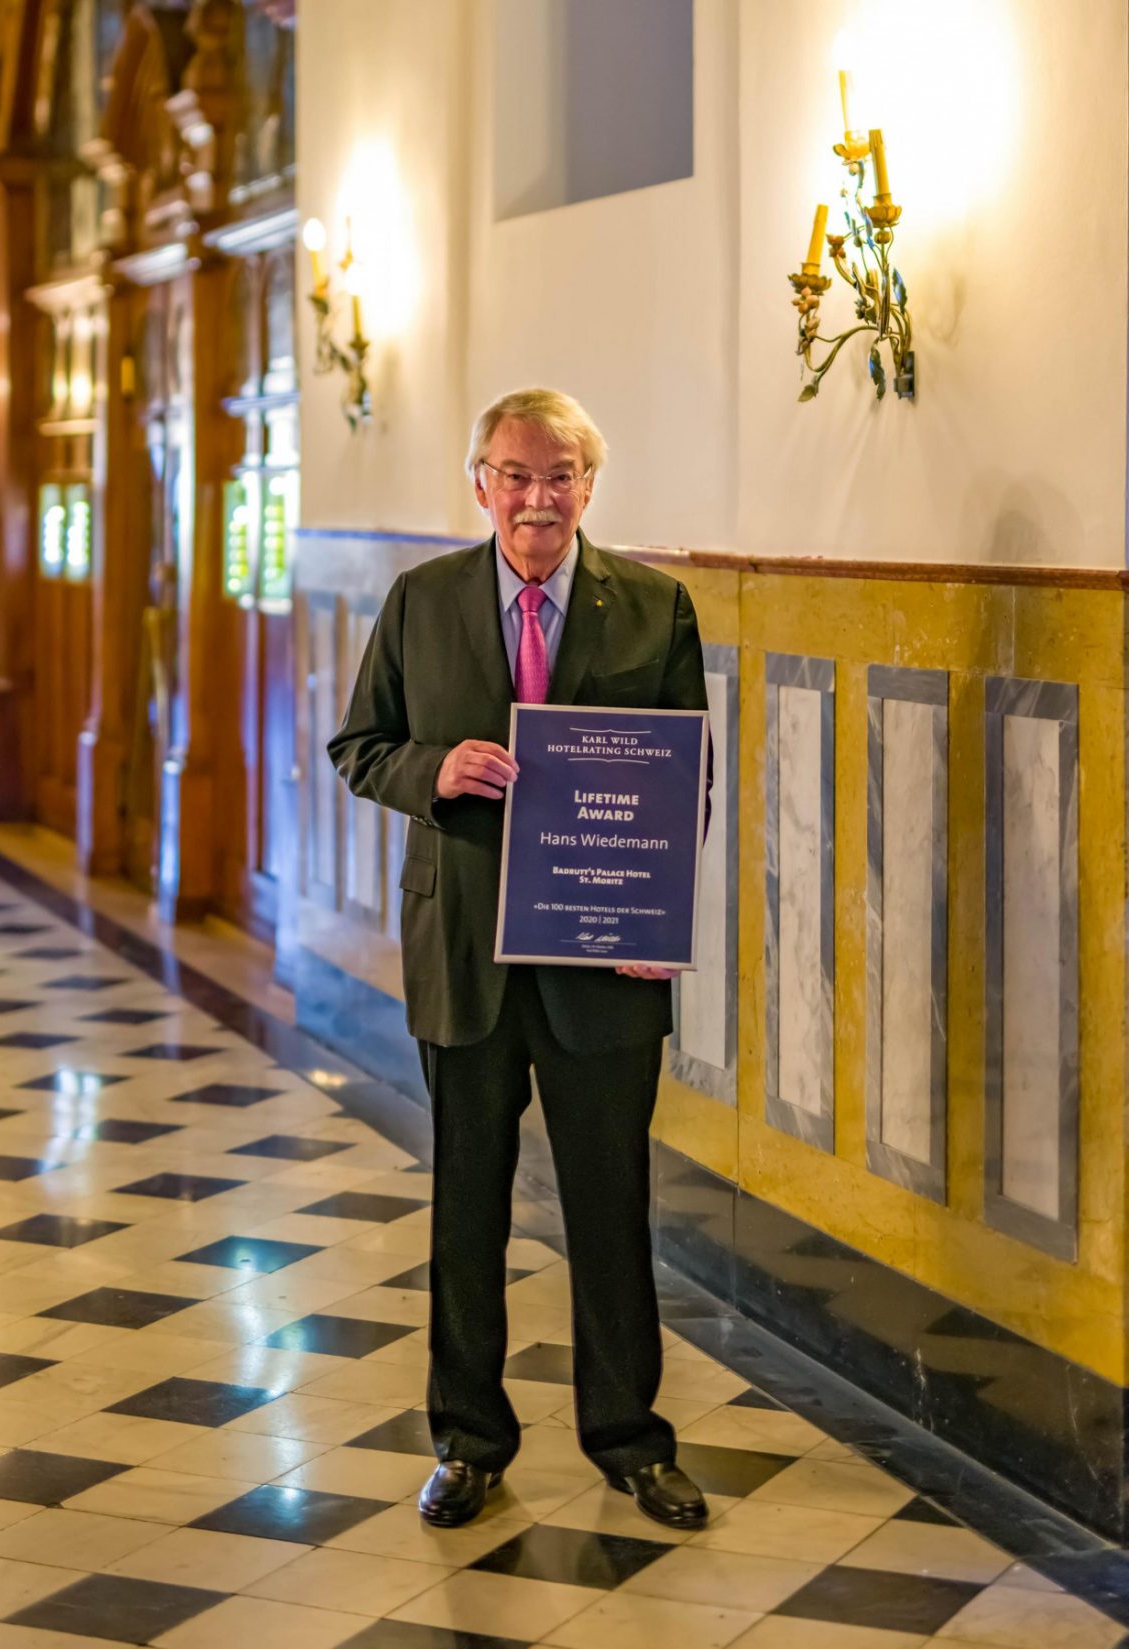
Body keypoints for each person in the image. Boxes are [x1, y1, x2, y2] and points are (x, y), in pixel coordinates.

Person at [328, 387, 709, 1531]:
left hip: (602, 961)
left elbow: (680, 780)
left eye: (560, 476)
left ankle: (631, 1441)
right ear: (478, 480)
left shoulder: (654, 606)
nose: (536, 497)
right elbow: (362, 746)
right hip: (465, 953)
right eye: (514, 473)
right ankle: (468, 1438)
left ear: (591, 485)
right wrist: (434, 770)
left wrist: (656, 918)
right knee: (466, 1205)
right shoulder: (423, 598)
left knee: (610, 1204)